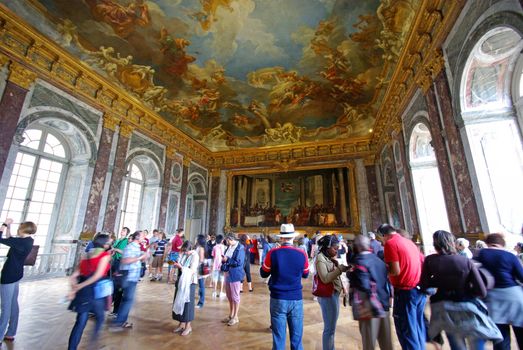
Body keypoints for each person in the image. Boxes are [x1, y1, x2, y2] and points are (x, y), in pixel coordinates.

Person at [420, 230, 493, 350]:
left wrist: (439, 281)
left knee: (456, 343)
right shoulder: (465, 261)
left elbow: (424, 285)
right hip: (466, 303)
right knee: (475, 339)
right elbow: (482, 291)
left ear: (435, 244)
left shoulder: (430, 260)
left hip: (444, 305)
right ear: (452, 243)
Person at [261, 224, 309, 350]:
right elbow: (306, 274)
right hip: (296, 299)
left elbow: (263, 273)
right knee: (297, 339)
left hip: (278, 298)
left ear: (281, 238)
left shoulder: (273, 253)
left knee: (278, 338)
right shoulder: (302, 253)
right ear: (293, 238)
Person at [378, 223, 426, 350]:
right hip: (418, 290)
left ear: (383, 235)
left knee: (406, 330)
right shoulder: (408, 242)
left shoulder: (391, 243)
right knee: (417, 326)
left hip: (405, 291)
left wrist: (380, 273)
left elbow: (395, 271)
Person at [476, 233, 523, 350]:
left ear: (488, 243)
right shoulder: (510, 256)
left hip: (492, 299)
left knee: (501, 338)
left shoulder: (479, 255)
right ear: (501, 244)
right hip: (514, 297)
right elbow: (521, 277)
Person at [67, 233, 112, 350]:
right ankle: (92, 345)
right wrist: (79, 286)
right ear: (105, 245)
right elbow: (97, 276)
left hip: (83, 293)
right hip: (95, 291)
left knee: (80, 323)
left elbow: (74, 276)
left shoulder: (86, 254)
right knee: (100, 318)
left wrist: (74, 288)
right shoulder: (105, 255)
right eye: (109, 242)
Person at [349, 235, 393, 350]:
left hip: (369, 307)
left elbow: (364, 286)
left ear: (357, 247)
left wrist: (351, 276)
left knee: (369, 342)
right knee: (386, 341)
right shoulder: (379, 260)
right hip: (383, 302)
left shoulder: (359, 262)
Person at [0, 219, 36, 343]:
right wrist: (9, 228)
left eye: (19, 228)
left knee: (5, 307)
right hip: (17, 274)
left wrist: (4, 224)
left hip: (9, 275)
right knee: (13, 304)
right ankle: (11, 332)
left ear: (23, 229)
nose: (17, 230)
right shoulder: (28, 241)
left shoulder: (20, 242)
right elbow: (10, 239)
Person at [109, 231, 148, 331]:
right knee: (128, 300)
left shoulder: (137, 247)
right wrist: (140, 257)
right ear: (137, 237)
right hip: (129, 277)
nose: (144, 237)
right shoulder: (131, 247)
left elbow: (139, 259)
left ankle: (121, 321)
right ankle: (118, 322)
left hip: (133, 277)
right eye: (143, 235)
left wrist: (144, 256)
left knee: (127, 300)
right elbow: (125, 260)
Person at [315, 234, 348, 350]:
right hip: (327, 296)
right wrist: (339, 269)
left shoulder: (328, 257)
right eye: (335, 248)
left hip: (333, 295)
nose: (337, 251)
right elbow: (325, 278)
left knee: (331, 328)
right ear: (327, 247)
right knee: (329, 329)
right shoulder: (320, 259)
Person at [172, 240, 199, 336]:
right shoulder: (184, 254)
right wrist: (176, 262)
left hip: (190, 282)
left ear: (191, 249)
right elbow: (180, 263)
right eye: (184, 251)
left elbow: (192, 270)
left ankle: (188, 326)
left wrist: (181, 267)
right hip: (181, 281)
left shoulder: (195, 256)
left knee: (187, 304)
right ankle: (181, 323)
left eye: (187, 251)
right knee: (179, 301)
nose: (185, 252)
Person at [221, 234, 245, 326]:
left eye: (227, 240)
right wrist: (224, 262)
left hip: (235, 275)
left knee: (235, 297)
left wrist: (227, 259)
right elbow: (226, 259)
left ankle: (235, 317)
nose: (226, 242)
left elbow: (239, 262)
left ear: (230, 239)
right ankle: (231, 315)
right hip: (228, 273)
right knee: (229, 296)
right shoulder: (229, 247)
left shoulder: (240, 248)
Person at [110, 227, 129, 317]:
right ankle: (112, 306)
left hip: (119, 263)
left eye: (124, 230)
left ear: (127, 233)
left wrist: (116, 250)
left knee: (118, 287)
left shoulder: (125, 241)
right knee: (112, 285)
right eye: (122, 230)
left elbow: (124, 252)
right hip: (114, 262)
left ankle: (116, 310)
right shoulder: (118, 240)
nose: (122, 231)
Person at [195, 234, 208, 308]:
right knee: (200, 285)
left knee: (201, 286)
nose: (195, 239)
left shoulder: (201, 248)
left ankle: (201, 302)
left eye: (196, 238)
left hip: (199, 268)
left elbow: (201, 260)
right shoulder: (199, 247)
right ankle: (200, 298)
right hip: (198, 268)